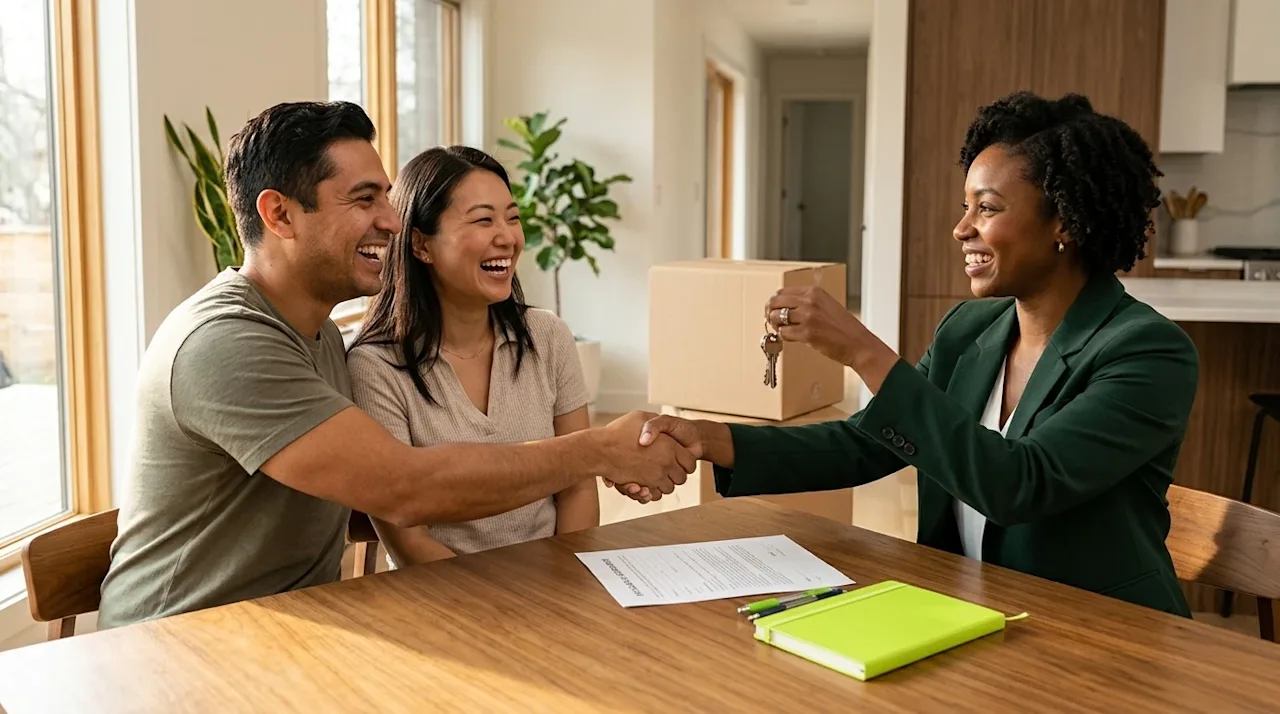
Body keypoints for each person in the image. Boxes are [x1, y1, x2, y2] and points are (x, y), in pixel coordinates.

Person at [98, 102, 693, 629]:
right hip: (176, 651)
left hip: (298, 627)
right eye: (364, 199)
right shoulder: (224, 344)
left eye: (386, 195)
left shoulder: (321, 337)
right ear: (279, 215)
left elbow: (361, 495)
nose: (390, 218)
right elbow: (406, 488)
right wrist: (596, 450)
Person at [628, 91, 1200, 617]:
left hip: (1102, 632)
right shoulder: (968, 330)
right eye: (965, 206)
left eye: (987, 208)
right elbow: (865, 442)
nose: (960, 229)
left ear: (1065, 222)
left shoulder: (1147, 353)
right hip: (976, 614)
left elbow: (1020, 484)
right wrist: (711, 439)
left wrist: (862, 350)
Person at [346, 146, 597, 566]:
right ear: (421, 245)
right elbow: (408, 539)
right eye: (483, 219)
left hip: (554, 584)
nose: (508, 237)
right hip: (442, 601)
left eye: (512, 218)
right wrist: (499, 609)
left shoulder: (548, 336)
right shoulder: (375, 367)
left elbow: (578, 486)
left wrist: (565, 587)